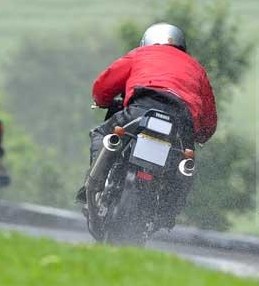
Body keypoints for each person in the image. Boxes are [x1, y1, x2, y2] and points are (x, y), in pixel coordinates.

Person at [76, 23, 217, 221]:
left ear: (147, 42)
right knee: (184, 164)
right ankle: (167, 213)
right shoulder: (197, 68)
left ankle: (93, 184)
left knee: (103, 134)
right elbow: (209, 118)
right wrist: (201, 134)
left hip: (141, 109)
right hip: (181, 121)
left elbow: (104, 85)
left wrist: (102, 101)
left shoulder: (141, 54)